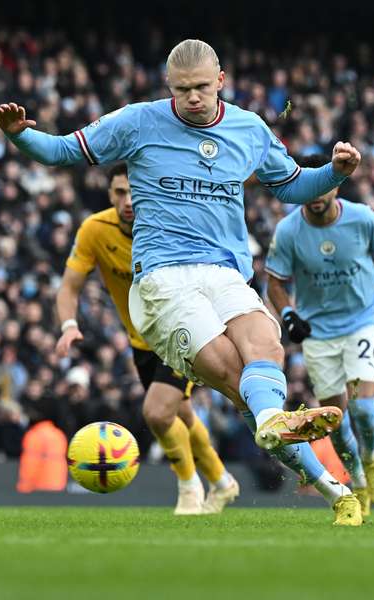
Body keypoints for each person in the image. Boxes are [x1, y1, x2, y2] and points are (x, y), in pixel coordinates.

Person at [0, 38, 364, 525]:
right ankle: (322, 479)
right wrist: (20, 135)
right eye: (182, 89)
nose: (192, 97)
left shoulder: (249, 129)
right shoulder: (139, 121)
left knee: (267, 354)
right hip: (164, 280)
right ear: (170, 87)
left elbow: (293, 185)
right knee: (238, 379)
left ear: (221, 83)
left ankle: (336, 492)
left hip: (227, 272)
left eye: (202, 88)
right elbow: (64, 150)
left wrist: (334, 172)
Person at [55, 162, 239, 515]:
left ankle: (189, 487)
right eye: (120, 192)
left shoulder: (169, 226)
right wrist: (68, 325)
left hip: (183, 332)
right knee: (180, 413)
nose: (127, 200)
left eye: (133, 190)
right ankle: (222, 481)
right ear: (109, 194)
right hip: (142, 343)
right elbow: (69, 286)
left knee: (156, 413)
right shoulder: (95, 230)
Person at [265, 154, 374, 515]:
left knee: (365, 410)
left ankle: (370, 458)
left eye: (325, 186)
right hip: (319, 333)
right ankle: (356, 478)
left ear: (336, 185)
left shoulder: (363, 218)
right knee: (335, 419)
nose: (317, 195)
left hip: (361, 322)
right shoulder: (288, 231)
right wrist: (289, 314)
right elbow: (274, 282)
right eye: (311, 187)